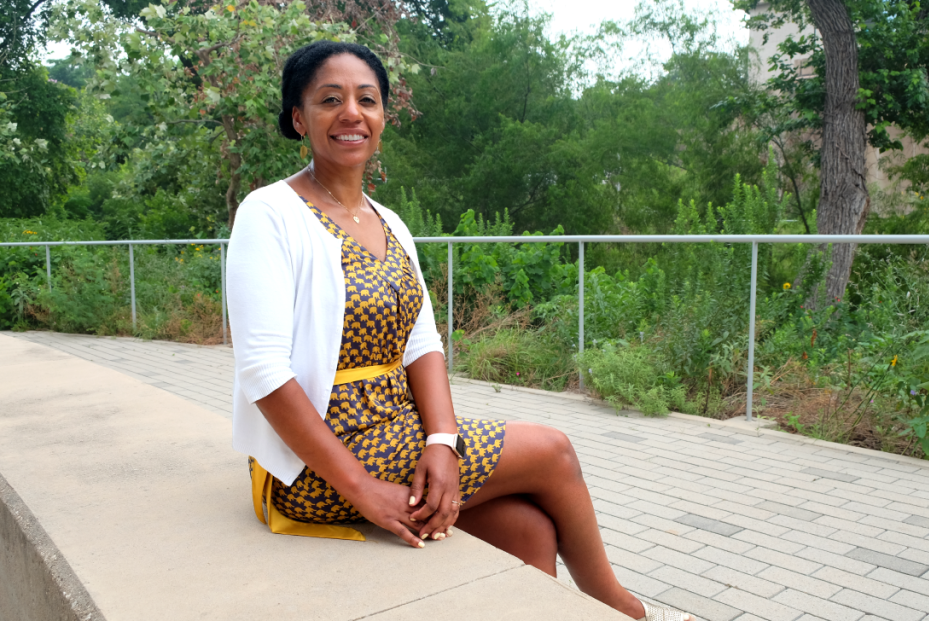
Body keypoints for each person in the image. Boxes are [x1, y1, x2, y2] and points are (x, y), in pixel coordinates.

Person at [226, 40, 691, 621]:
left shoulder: (389, 222)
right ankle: (622, 609)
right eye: (330, 100)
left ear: (383, 117)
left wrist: (441, 444)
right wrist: (363, 490)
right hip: (319, 461)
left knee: (530, 529)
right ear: (299, 118)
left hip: (398, 433)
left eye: (367, 100)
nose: (352, 113)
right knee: (553, 453)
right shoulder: (270, 212)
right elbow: (263, 370)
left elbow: (422, 342)